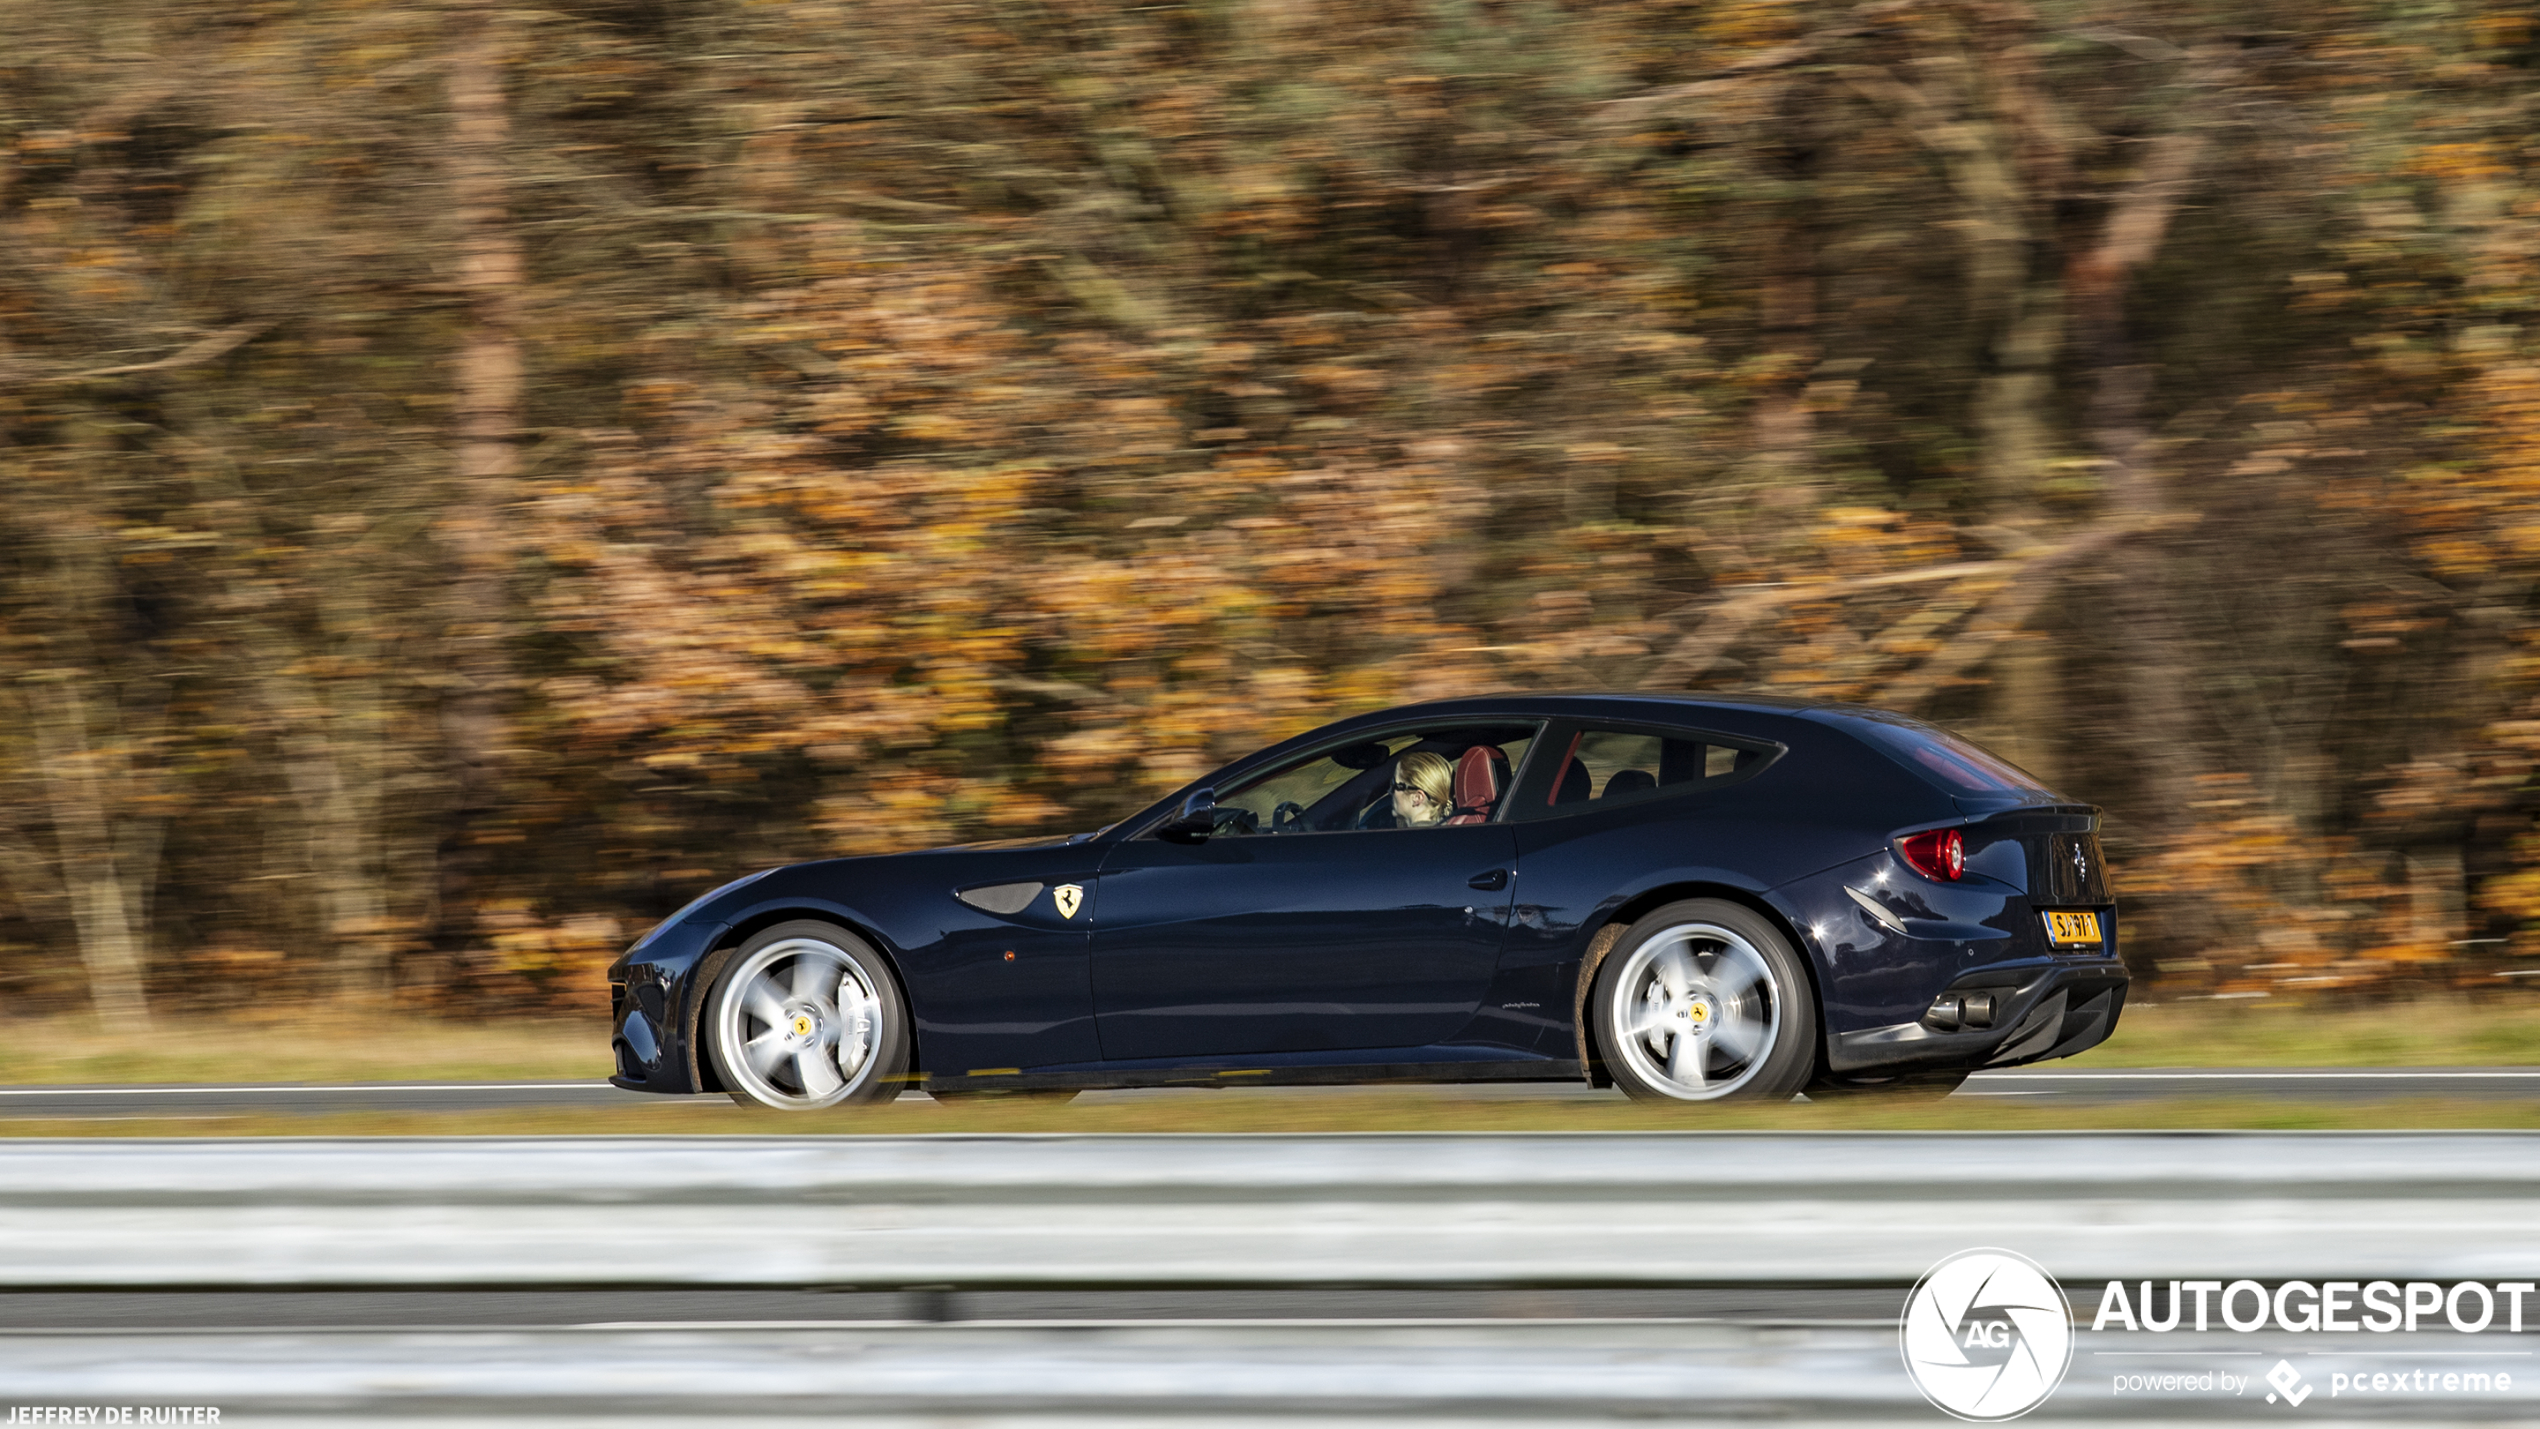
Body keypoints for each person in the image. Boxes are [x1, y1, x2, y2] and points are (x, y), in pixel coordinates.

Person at [1389, 751, 1455, 828]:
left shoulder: (1409, 838)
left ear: (1417, 798)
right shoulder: (1453, 833)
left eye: (1394, 784)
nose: (1390, 791)